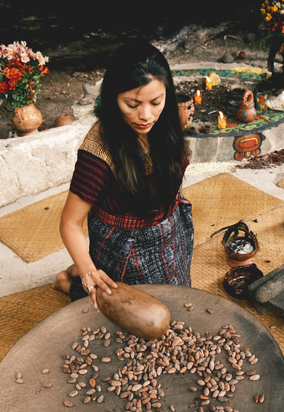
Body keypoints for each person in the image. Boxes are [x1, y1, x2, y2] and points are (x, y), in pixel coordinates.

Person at [52, 41, 194, 308]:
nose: (145, 115)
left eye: (156, 101)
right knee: (136, 310)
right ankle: (69, 281)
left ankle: (82, 263)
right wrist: (88, 273)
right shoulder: (98, 151)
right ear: (112, 98)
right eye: (132, 104)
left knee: (178, 295)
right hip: (126, 244)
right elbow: (70, 223)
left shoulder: (165, 122)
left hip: (168, 227)